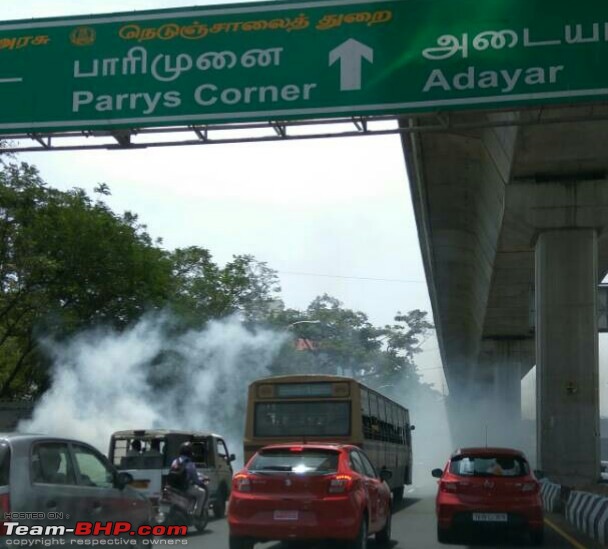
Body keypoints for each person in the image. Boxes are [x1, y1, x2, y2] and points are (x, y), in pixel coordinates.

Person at [170, 442, 207, 516]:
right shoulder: (190, 464)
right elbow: (195, 479)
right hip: (184, 488)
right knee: (202, 492)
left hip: (173, 488)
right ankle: (197, 514)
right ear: (190, 452)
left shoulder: (175, 461)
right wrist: (201, 483)